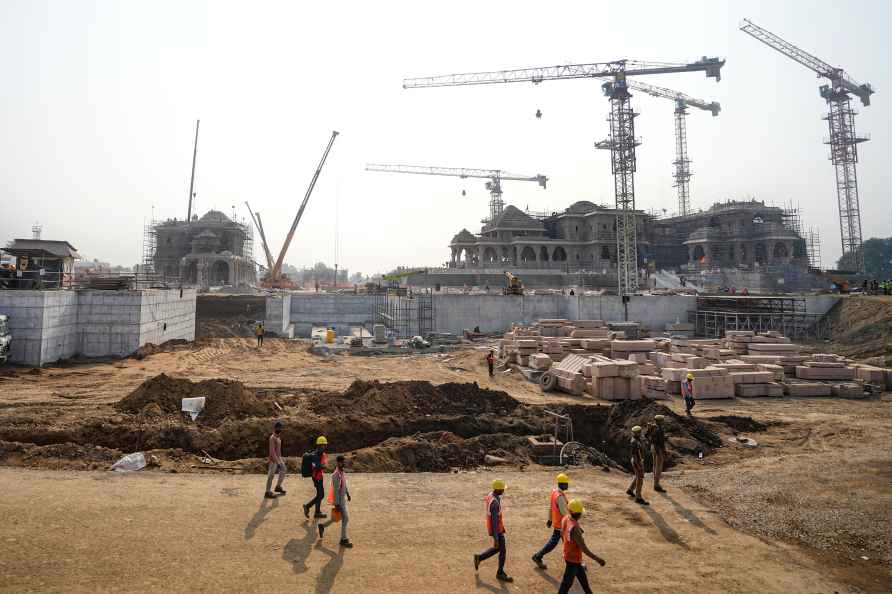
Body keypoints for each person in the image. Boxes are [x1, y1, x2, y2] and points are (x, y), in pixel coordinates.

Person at [557, 499, 606, 594]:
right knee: (566, 585)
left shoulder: (565, 518)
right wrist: (598, 559)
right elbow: (584, 548)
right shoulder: (575, 528)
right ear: (578, 514)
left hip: (570, 555)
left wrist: (567, 547)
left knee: (584, 582)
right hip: (573, 559)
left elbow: (561, 534)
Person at [474, 479, 512, 583]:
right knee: (502, 551)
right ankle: (500, 573)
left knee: (497, 549)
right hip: (496, 530)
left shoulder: (491, 495)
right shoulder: (494, 503)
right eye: (502, 489)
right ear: (497, 489)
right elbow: (494, 521)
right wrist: (496, 537)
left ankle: (479, 557)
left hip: (494, 528)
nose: (503, 491)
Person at [531, 473, 570, 570]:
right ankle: (538, 556)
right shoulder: (560, 497)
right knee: (559, 543)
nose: (568, 485)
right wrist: (573, 524)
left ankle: (573, 563)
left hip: (557, 523)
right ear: (563, 484)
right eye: (566, 483)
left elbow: (551, 507)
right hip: (561, 525)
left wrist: (550, 519)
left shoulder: (554, 492)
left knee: (566, 543)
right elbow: (564, 512)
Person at [318, 455, 353, 548]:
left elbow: (344, 484)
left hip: (342, 500)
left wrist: (348, 493)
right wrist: (337, 504)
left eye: (344, 462)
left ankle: (322, 526)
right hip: (339, 501)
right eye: (342, 462)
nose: (343, 463)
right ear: (338, 462)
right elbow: (335, 490)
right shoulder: (336, 475)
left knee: (336, 519)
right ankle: (343, 539)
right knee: (345, 518)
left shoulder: (342, 472)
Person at [303, 436, 328, 519]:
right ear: (319, 446)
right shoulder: (315, 455)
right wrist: (323, 466)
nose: (324, 447)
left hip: (319, 476)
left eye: (324, 445)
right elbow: (317, 466)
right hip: (316, 477)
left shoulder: (320, 454)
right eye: (322, 445)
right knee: (321, 495)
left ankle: (317, 512)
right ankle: (307, 506)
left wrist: (322, 466)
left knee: (319, 494)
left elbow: (320, 465)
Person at [625, 426, 648, 505]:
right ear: (637, 433)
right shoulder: (634, 442)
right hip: (637, 461)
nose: (641, 432)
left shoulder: (637, 439)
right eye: (640, 432)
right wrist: (639, 465)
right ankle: (638, 497)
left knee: (637, 476)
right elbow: (634, 455)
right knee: (640, 478)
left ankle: (630, 490)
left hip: (638, 460)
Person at [264, 421, 286, 499]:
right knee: (271, 475)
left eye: (280, 428)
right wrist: (277, 462)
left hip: (278, 458)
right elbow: (272, 452)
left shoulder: (278, 437)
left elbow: (278, 451)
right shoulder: (272, 438)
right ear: (275, 428)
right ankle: (267, 492)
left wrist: (280, 460)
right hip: (273, 459)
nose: (279, 429)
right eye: (278, 427)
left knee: (283, 470)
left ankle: (278, 486)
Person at [647, 415, 667, 493]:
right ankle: (656, 485)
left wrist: (651, 442)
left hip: (653, 447)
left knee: (654, 465)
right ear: (660, 421)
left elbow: (646, 435)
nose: (663, 421)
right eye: (662, 420)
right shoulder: (659, 429)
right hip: (658, 448)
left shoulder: (652, 427)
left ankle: (655, 482)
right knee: (659, 467)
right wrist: (664, 451)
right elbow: (662, 442)